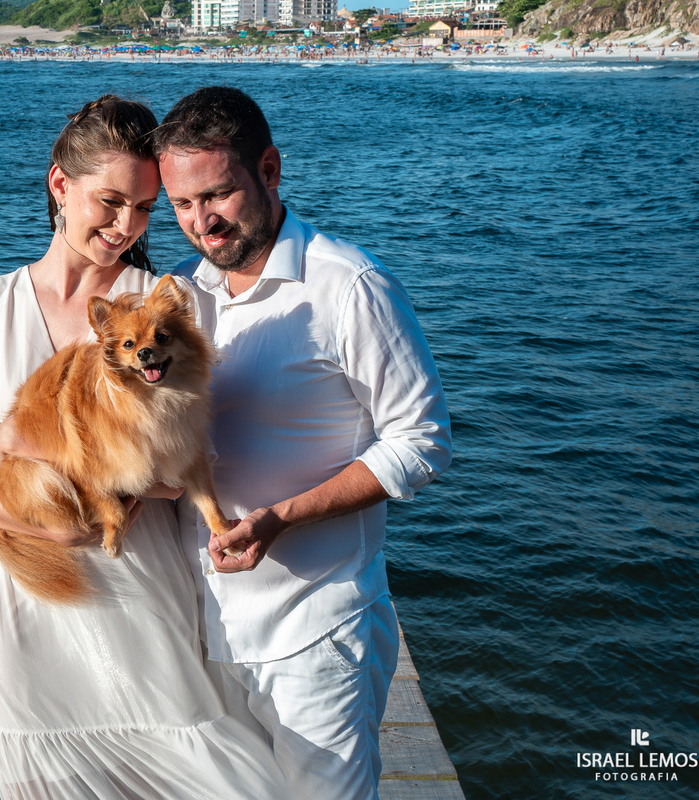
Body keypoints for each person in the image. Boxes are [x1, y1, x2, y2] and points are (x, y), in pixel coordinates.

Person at [0, 95, 287, 799]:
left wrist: (42, 452)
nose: (127, 227)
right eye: (111, 201)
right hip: (27, 597)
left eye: (148, 208)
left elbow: (178, 464)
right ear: (60, 185)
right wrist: (51, 523)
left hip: (142, 587)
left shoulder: (162, 302)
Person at [153, 86, 453, 799]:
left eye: (219, 194)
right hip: (207, 625)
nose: (203, 222)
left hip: (317, 633)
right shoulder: (187, 297)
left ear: (270, 168)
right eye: (183, 205)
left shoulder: (350, 286)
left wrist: (279, 517)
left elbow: (423, 441)